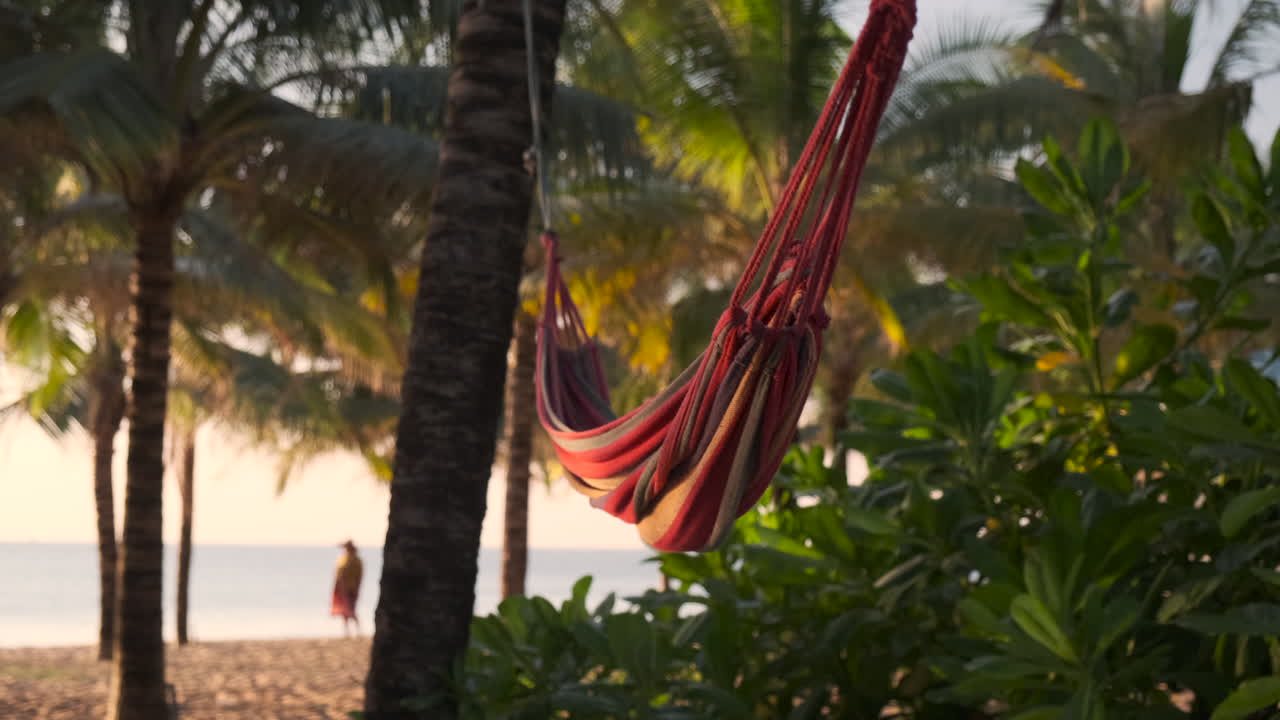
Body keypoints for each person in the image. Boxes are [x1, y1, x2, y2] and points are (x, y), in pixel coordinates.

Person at [331, 540, 363, 636]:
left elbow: (358, 576)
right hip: (341, 588)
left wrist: (356, 588)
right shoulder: (344, 559)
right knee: (345, 611)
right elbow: (339, 574)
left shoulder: (355, 561)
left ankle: (358, 630)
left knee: (350, 610)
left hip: (350, 588)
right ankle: (347, 631)